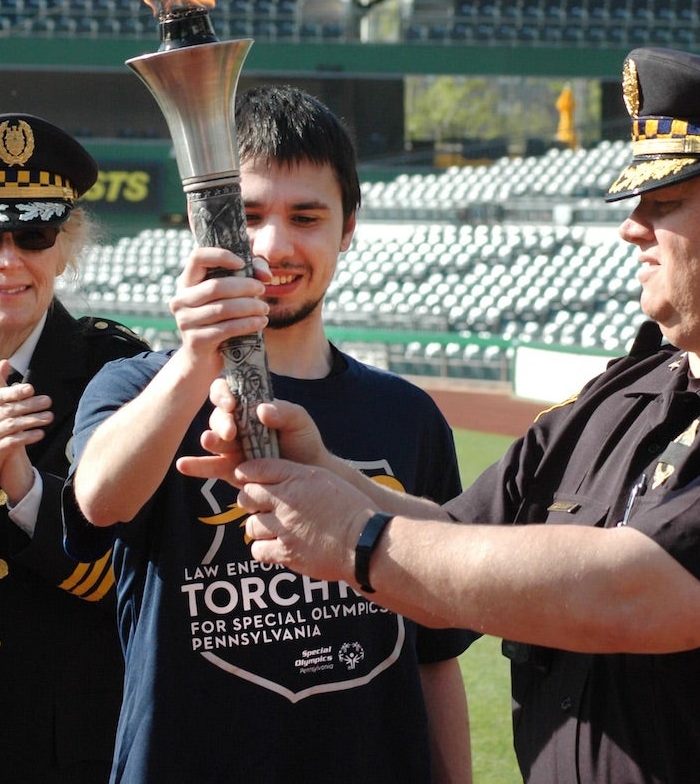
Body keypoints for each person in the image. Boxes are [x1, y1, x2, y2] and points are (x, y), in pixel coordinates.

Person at [180, 45, 700, 784]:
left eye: (664, 203)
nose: (630, 229)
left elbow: (639, 589)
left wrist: (359, 541)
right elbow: (460, 534)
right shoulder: (614, 399)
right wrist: (321, 467)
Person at [64, 85, 473, 784]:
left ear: (349, 226)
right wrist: (199, 357)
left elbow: (435, 653)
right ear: (203, 226)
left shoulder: (408, 414)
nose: (273, 245)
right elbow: (99, 500)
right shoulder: (135, 387)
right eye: (246, 216)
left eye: (306, 216)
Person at [0, 113, 149, 784]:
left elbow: (143, 578)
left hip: (72, 759)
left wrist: (33, 499)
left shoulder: (125, 376)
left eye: (35, 233)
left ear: (63, 246)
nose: (7, 259)